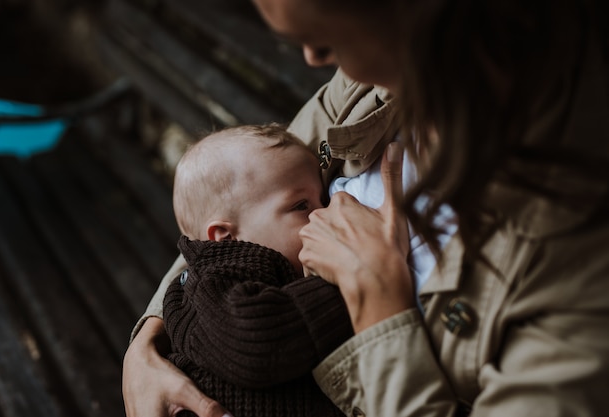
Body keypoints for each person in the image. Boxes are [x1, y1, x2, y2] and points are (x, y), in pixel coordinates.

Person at [123, 0, 609, 416]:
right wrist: (147, 343)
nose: (314, 58)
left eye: (327, 40)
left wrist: (379, 308)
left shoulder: (578, 274)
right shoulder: (375, 86)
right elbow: (230, 204)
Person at [162, 124, 354, 417]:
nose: (323, 213)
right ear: (226, 236)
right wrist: (354, 282)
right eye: (301, 205)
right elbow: (259, 341)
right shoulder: (212, 286)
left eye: (322, 200)